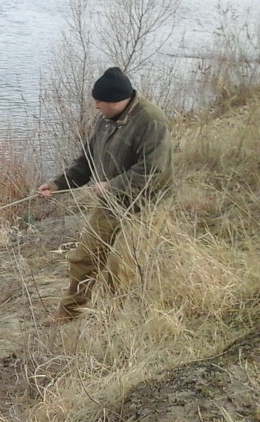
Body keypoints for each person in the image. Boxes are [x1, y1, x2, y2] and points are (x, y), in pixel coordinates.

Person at [37, 66, 173, 325]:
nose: (96, 107)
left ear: (116, 100)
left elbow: (153, 170)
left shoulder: (152, 121)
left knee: (121, 265)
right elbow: (86, 162)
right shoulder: (106, 120)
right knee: (83, 259)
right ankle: (68, 313)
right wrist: (56, 185)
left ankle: (114, 319)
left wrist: (111, 185)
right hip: (112, 203)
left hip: (147, 204)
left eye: (99, 102)